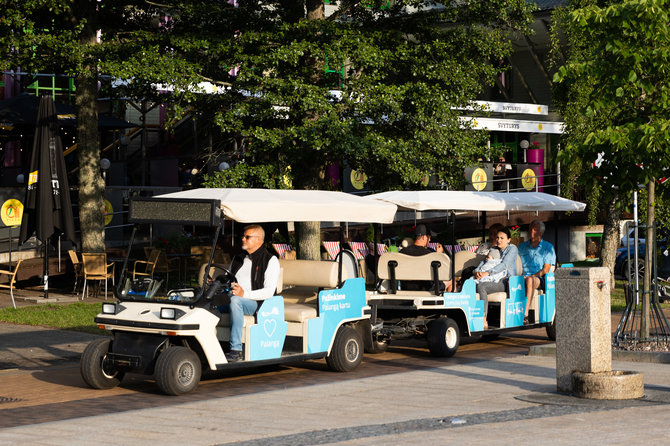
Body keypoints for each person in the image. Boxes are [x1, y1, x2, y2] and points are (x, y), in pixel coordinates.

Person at [225, 224, 280, 362]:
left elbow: (269, 291)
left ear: (259, 240)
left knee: (235, 301)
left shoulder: (270, 260)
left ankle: (236, 350)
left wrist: (244, 294)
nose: (243, 239)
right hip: (233, 297)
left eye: (247, 237)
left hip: (257, 303)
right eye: (243, 236)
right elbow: (229, 279)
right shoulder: (238, 258)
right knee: (207, 301)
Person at [475, 228, 518, 329]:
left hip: (505, 280)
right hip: (490, 278)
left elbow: (505, 265)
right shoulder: (494, 249)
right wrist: (477, 271)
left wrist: (487, 273)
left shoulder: (512, 249)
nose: (499, 240)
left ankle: (483, 318)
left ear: (509, 240)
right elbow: (483, 263)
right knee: (469, 284)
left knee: (482, 286)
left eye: (502, 238)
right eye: (497, 238)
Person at [518, 220, 556, 324]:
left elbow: (545, 269)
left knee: (530, 280)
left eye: (535, 230)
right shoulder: (521, 247)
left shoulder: (548, 248)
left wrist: (530, 276)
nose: (532, 231)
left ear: (541, 232)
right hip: (522, 276)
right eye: (530, 229)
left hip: (539, 279)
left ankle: (525, 314)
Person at [400, 224, 449, 291]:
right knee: (451, 281)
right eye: (429, 237)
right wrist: (438, 255)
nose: (429, 240)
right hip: (426, 289)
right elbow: (440, 273)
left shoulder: (402, 252)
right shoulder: (429, 255)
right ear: (424, 237)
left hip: (406, 289)